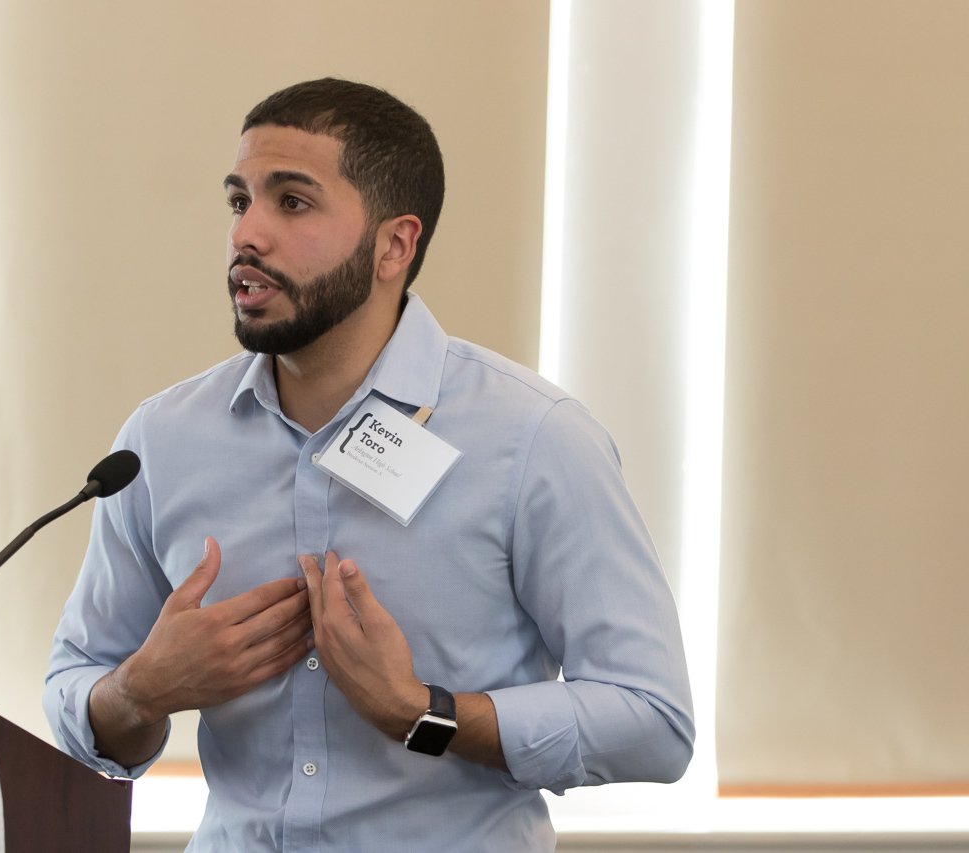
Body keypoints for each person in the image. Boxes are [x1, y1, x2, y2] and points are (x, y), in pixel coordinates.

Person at [45, 78, 693, 852]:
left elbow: (655, 721)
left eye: (291, 202)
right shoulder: (160, 441)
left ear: (395, 245)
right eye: (237, 200)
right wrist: (140, 690)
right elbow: (75, 687)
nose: (247, 234)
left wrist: (425, 711)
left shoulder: (533, 440)